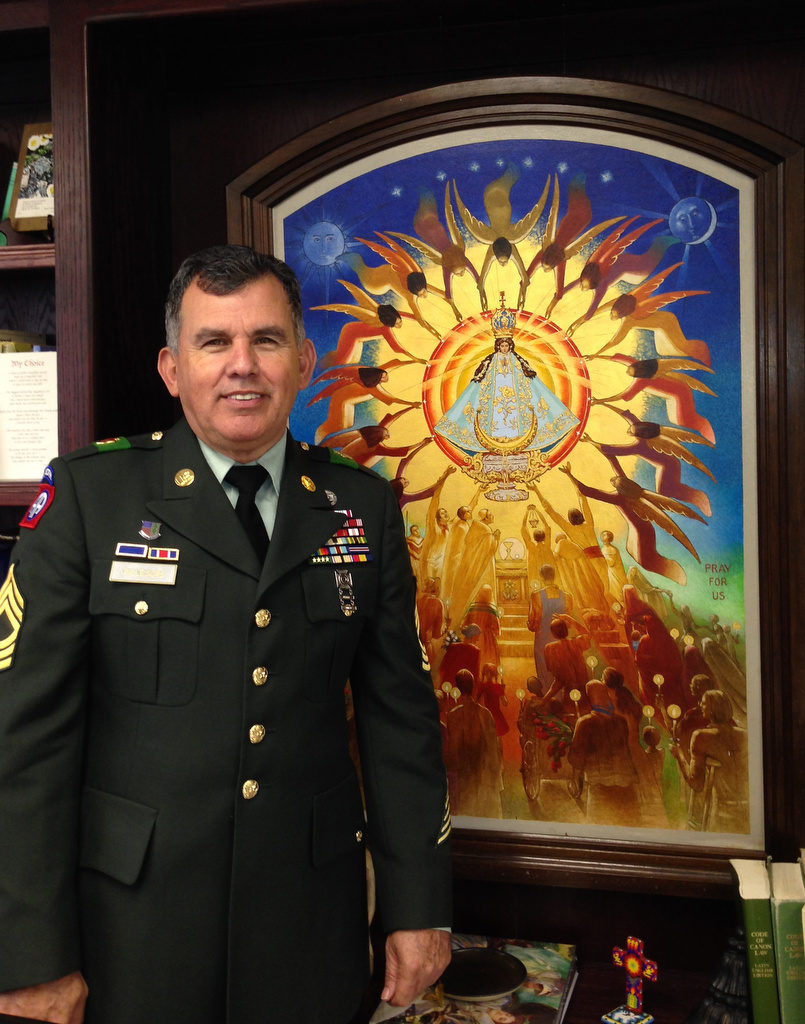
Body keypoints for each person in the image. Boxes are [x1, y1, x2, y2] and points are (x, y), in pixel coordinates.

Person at [0, 245, 452, 1024]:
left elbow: (400, 724)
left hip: (309, 926)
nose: (241, 365)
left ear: (304, 360)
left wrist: (418, 906)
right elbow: (24, 746)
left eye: (266, 341)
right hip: (131, 933)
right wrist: (31, 955)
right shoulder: (89, 499)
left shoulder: (360, 508)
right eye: (214, 343)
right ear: (173, 369)